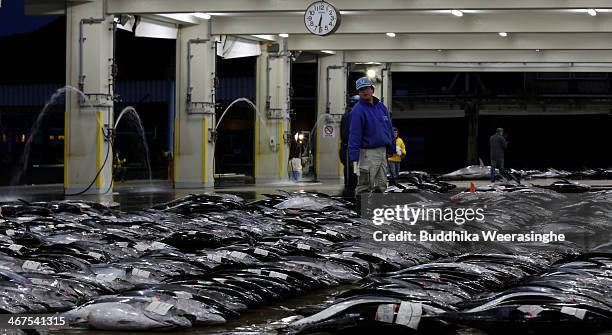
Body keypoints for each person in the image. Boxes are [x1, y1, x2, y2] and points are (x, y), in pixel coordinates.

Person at [348, 77, 395, 197]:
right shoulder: (357, 111)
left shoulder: (382, 107)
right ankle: (361, 212)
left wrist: (391, 147)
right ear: (358, 93)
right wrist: (354, 157)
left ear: (372, 89)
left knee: (381, 184)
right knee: (364, 185)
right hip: (367, 153)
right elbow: (354, 134)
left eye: (366, 88)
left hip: (382, 151)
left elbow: (389, 128)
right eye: (361, 90)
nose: (364, 92)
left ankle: (376, 211)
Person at [339, 95, 360, 197]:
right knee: (352, 174)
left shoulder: (347, 114)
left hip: (346, 149)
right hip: (350, 150)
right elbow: (350, 134)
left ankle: (348, 192)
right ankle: (349, 196)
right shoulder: (352, 114)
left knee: (351, 172)